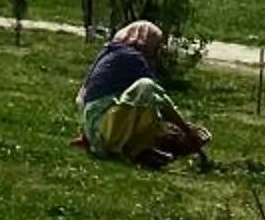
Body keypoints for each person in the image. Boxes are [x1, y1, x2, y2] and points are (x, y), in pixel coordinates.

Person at [74, 20, 208, 168]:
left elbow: (82, 97)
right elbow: (158, 98)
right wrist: (186, 129)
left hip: (94, 127)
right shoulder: (133, 58)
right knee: (146, 88)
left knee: (140, 105)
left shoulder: (108, 53)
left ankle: (139, 151)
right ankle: (143, 149)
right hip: (104, 127)